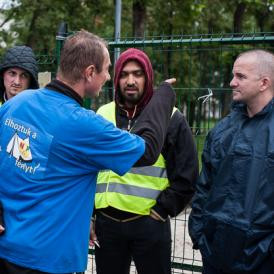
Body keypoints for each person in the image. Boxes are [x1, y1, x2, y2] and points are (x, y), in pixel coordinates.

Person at [0, 31, 176, 274]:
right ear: (90, 72)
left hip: (7, 249)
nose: (108, 77)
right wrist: (163, 96)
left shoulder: (16, 104)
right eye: (106, 69)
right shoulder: (84, 124)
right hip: (48, 260)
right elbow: (146, 151)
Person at [91, 48, 199, 274]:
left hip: (149, 223)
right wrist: (91, 214)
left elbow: (187, 174)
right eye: (124, 74)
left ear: (148, 78)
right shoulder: (102, 113)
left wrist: (162, 209)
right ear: (117, 77)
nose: (130, 81)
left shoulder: (171, 117)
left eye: (138, 74)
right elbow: (89, 168)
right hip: (106, 224)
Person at [189, 49, 274, 274]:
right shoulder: (222, 130)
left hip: (263, 260)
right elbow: (204, 187)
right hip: (216, 255)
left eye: (241, 77)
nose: (232, 82)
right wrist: (199, 233)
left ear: (264, 82)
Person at [0, 45, 39, 235]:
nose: (16, 81)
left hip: (23, 207)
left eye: (24, 76)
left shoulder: (37, 116)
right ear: (3, 75)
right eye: (12, 73)